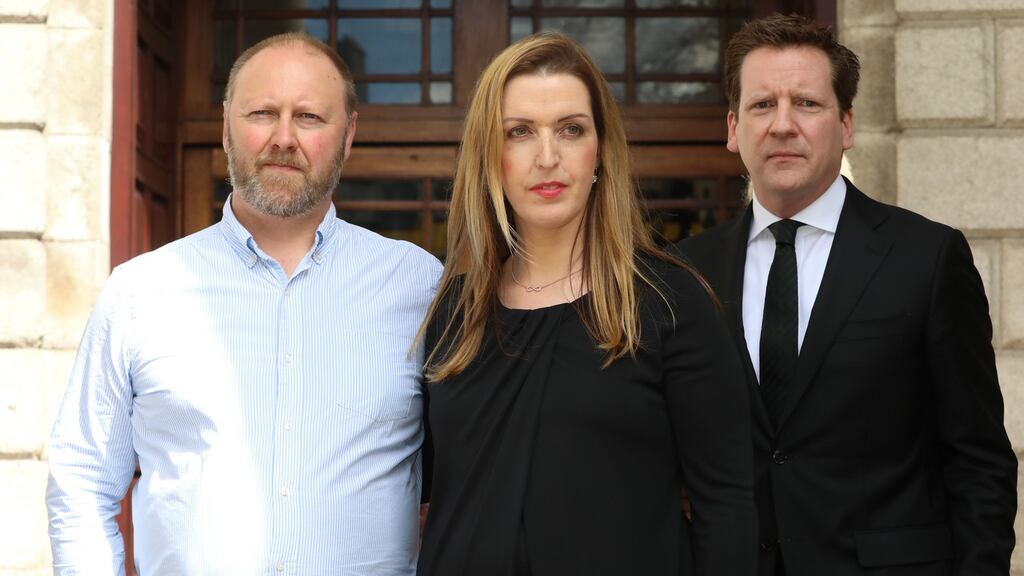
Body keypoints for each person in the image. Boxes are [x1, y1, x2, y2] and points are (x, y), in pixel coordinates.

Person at [46, 32, 441, 575]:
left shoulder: (418, 285)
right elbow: (81, 483)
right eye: (262, 113)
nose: (283, 137)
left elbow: (464, 483)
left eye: (309, 117)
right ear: (225, 127)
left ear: (347, 135)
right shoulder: (139, 293)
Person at [676, 14, 1017, 576]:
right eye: (762, 105)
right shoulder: (689, 271)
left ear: (847, 125)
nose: (783, 125)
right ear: (734, 128)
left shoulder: (926, 259)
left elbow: (978, 460)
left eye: (806, 104)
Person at [416, 32, 757, 576]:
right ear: (489, 157)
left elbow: (728, 506)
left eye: (571, 130)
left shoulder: (668, 301)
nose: (547, 156)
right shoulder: (454, 313)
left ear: (600, 151)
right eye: (519, 132)